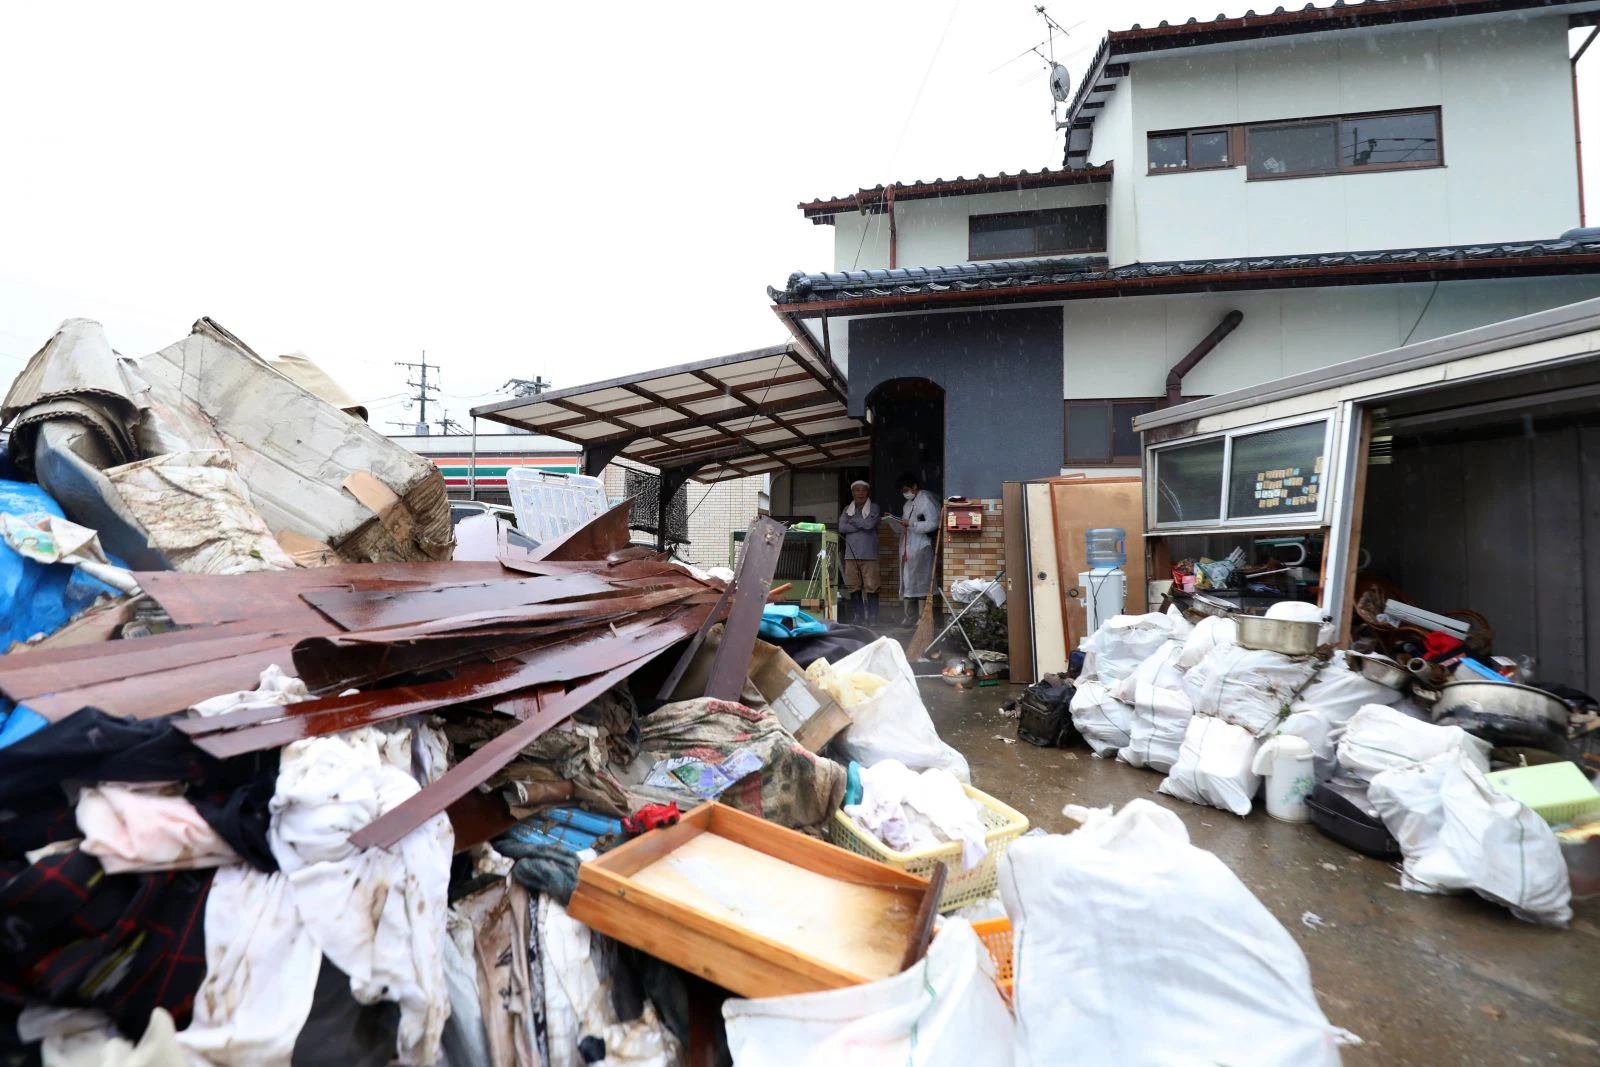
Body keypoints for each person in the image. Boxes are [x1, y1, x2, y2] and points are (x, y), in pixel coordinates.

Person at [892, 473, 940, 624]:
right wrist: (895, 522)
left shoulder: (925, 500)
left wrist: (912, 525)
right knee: (908, 581)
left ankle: (922, 616)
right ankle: (909, 616)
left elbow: (933, 522)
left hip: (921, 546)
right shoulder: (907, 505)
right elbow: (906, 523)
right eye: (903, 491)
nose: (905, 493)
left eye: (907, 489)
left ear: (915, 486)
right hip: (908, 547)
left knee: (922, 581)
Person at [837, 480, 881, 624]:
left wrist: (853, 522)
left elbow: (869, 525)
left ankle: (873, 618)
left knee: (872, 586)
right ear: (853, 493)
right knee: (853, 586)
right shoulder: (846, 509)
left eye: (863, 490)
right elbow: (841, 527)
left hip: (869, 554)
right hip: (851, 555)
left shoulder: (874, 507)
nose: (860, 493)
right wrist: (860, 523)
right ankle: (858, 617)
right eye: (857, 490)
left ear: (868, 492)